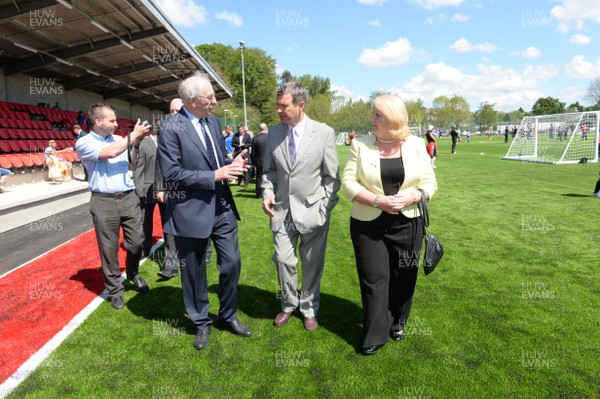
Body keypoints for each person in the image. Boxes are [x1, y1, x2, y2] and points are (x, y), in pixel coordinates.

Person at [158, 72, 252, 350]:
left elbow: (213, 159)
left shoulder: (213, 121)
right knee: (194, 272)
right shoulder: (170, 128)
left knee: (232, 262)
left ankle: (228, 315)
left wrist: (230, 163)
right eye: (210, 97)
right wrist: (215, 174)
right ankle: (201, 322)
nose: (215, 100)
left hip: (221, 207)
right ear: (192, 100)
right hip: (190, 212)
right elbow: (173, 174)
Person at [341, 94, 437, 355]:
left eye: (377, 115)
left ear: (393, 119)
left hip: (408, 224)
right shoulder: (360, 145)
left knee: (403, 277)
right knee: (374, 279)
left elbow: (430, 183)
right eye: (372, 114)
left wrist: (415, 195)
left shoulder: (417, 145)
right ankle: (374, 333)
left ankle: (398, 321)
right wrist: (376, 201)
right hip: (368, 225)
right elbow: (348, 183)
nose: (371, 119)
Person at [261, 82, 340, 332]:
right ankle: (287, 304)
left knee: (312, 263)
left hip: (313, 211)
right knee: (283, 260)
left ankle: (309, 308)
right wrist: (267, 193)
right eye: (278, 106)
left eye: (283, 106)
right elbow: (268, 172)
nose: (279, 111)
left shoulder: (324, 132)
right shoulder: (273, 133)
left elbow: (332, 177)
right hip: (282, 211)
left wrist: (324, 207)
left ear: (300, 105)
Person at [76, 103, 152, 310]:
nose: (116, 124)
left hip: (128, 197)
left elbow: (132, 165)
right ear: (98, 121)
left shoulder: (119, 140)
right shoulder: (84, 142)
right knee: (108, 249)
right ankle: (115, 290)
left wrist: (135, 144)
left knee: (137, 241)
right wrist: (132, 136)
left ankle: (133, 272)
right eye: (112, 120)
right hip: (103, 201)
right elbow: (109, 153)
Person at [251, 123, 269, 199]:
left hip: (259, 161)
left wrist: (253, 162)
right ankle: (268, 193)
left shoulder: (255, 138)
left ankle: (258, 193)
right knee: (269, 178)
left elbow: (253, 152)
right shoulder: (270, 137)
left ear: (259, 129)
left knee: (259, 178)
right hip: (269, 161)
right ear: (266, 128)